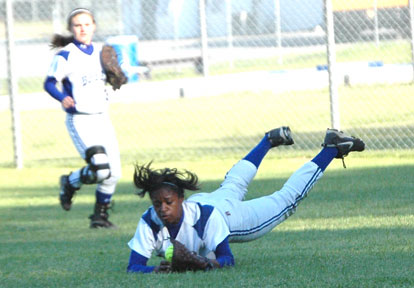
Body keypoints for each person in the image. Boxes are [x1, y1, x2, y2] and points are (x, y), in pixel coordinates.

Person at [126, 127, 365, 273]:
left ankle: (332, 148)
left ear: (181, 198)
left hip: (227, 217)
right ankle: (269, 140)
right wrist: (157, 270)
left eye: (169, 202)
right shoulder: (149, 222)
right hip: (208, 201)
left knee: (285, 201)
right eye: (157, 204)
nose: (163, 208)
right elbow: (134, 266)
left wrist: (204, 264)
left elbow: (227, 259)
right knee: (233, 184)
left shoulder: (204, 220)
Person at [43, 8, 121, 228]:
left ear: (94, 26)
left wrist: (118, 75)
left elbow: (116, 72)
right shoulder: (65, 55)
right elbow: (49, 83)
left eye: (87, 24)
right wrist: (61, 97)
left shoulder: (102, 52)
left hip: (102, 118)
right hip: (81, 120)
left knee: (113, 173)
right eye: (78, 25)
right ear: (71, 29)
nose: (83, 29)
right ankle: (70, 182)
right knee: (100, 168)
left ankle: (100, 217)